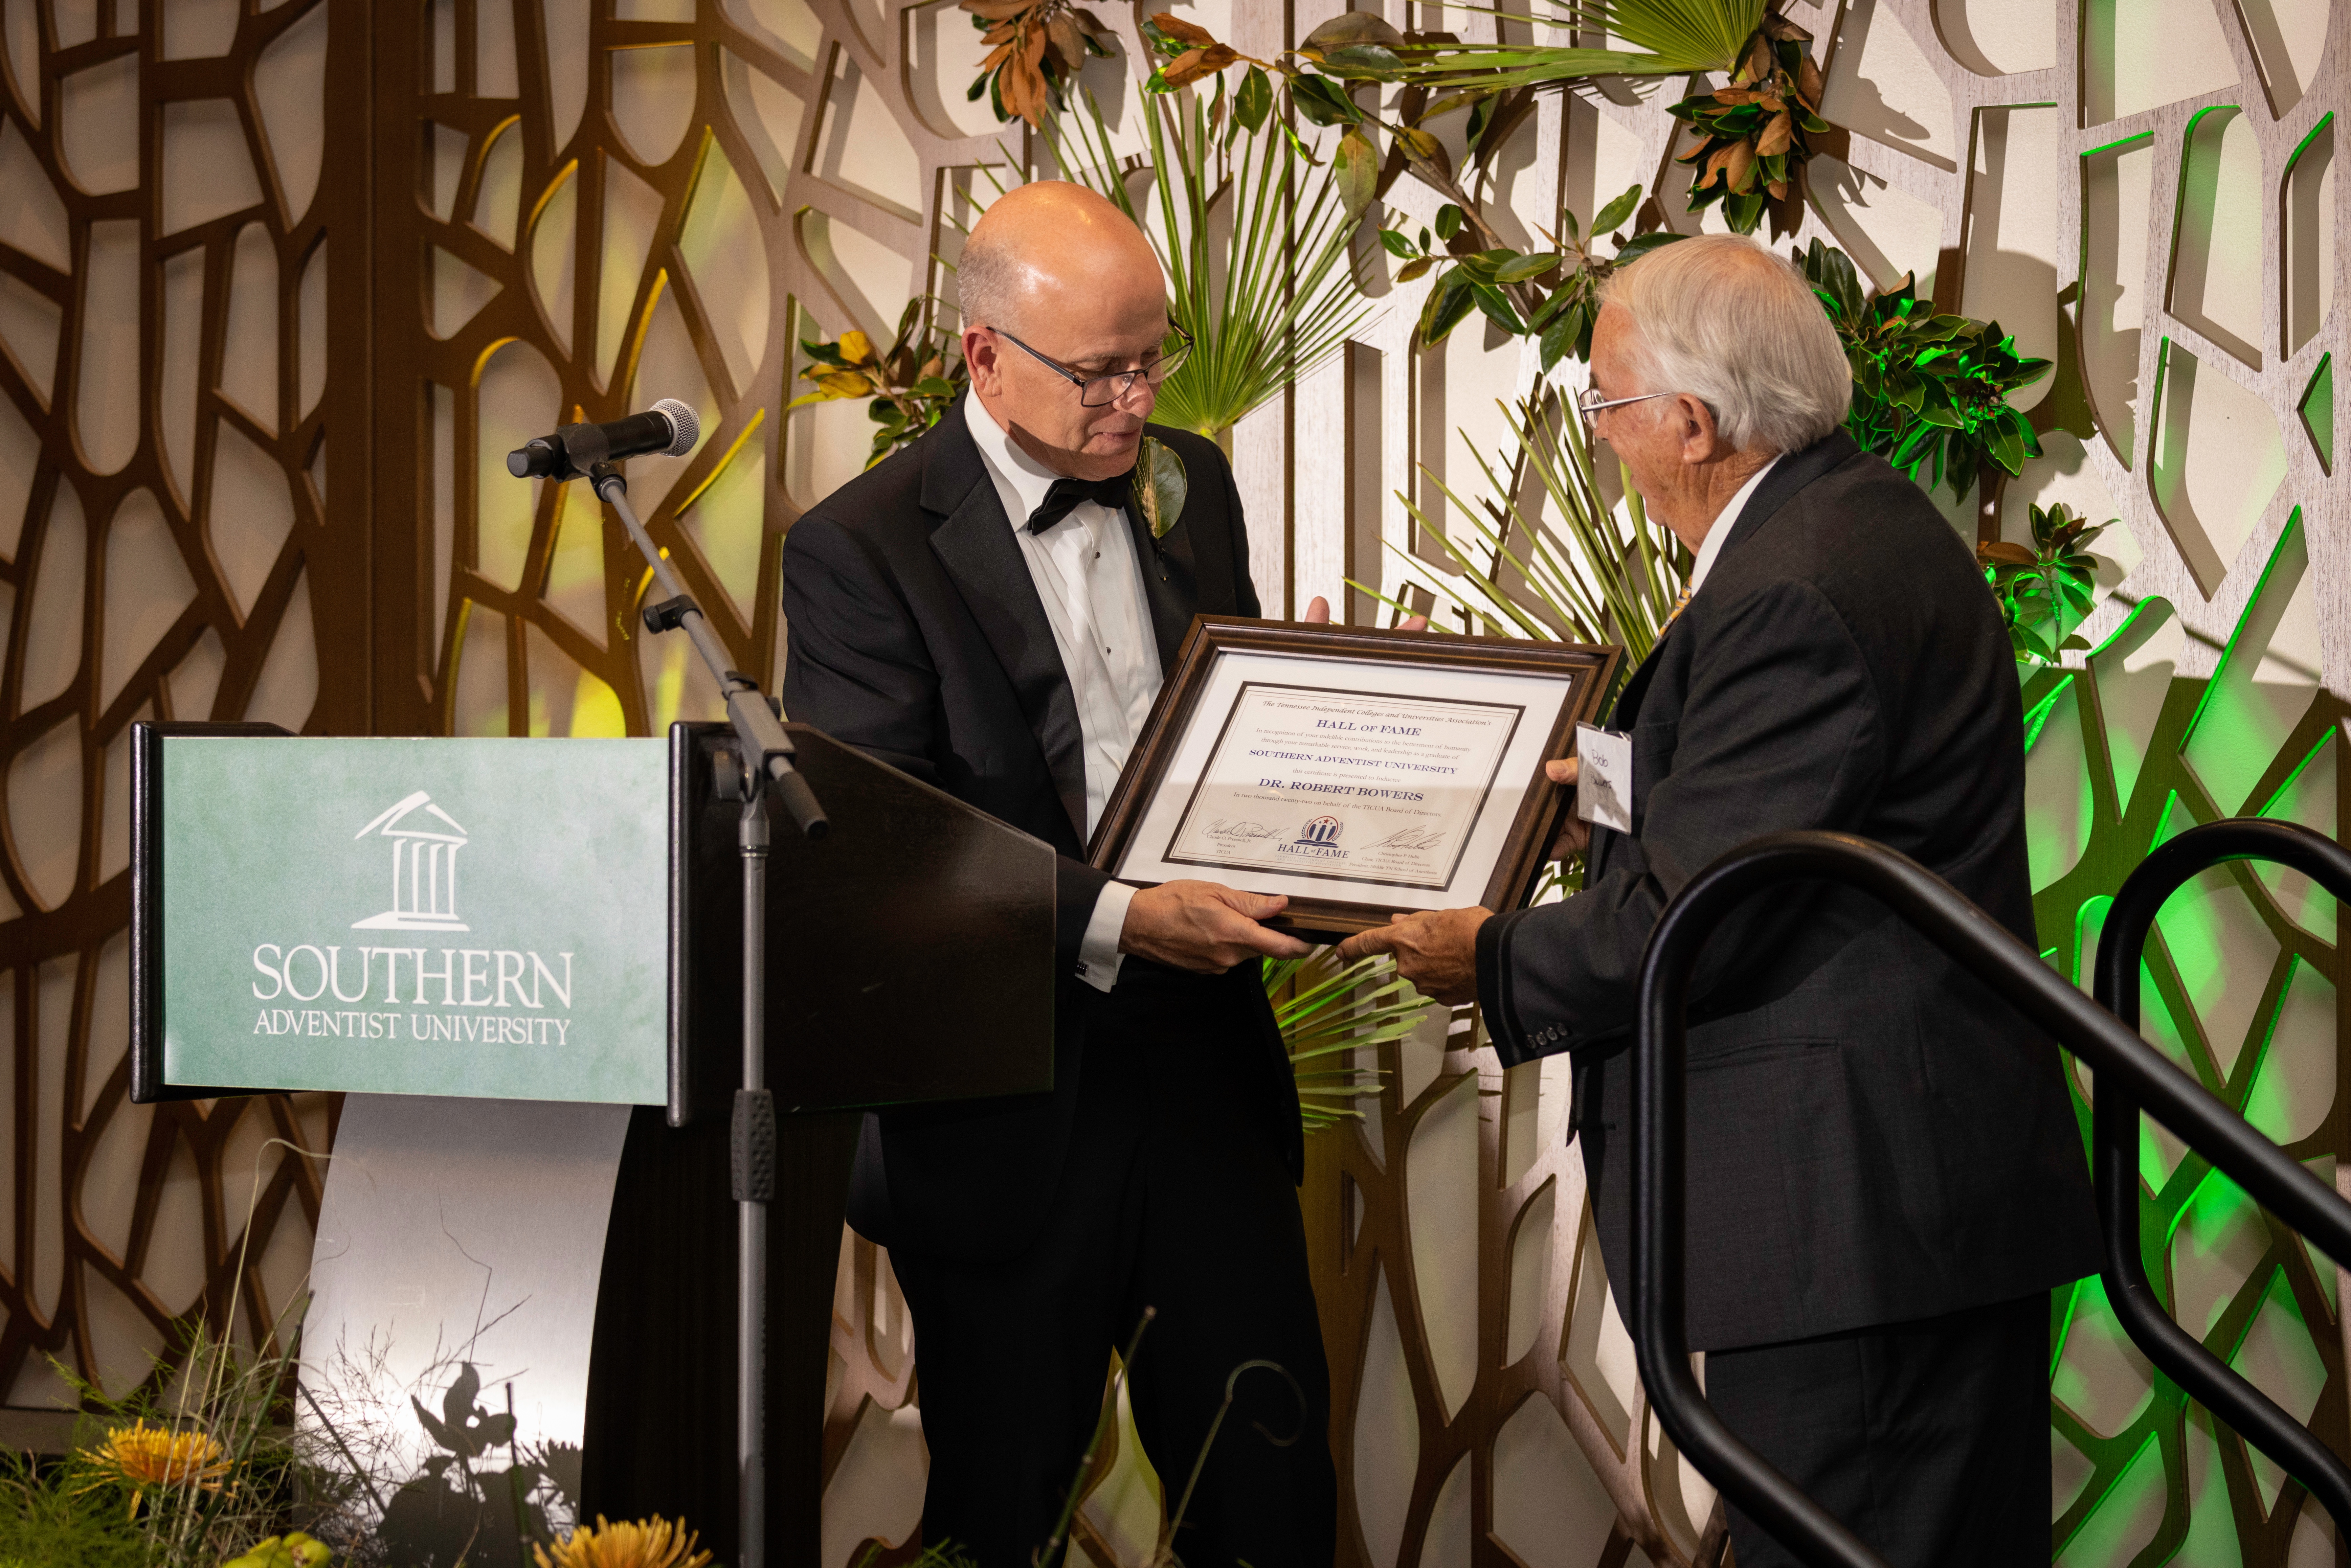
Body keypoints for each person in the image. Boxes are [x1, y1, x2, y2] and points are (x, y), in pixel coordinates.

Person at [1336, 235, 2101, 1567]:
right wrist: (1589, 787)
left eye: (1604, 405)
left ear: (1689, 422)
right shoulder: (1854, 521)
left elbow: (1710, 914)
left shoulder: (1792, 584)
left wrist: (1492, 957)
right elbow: (1783, 804)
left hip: (1849, 1226)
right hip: (1891, 1213)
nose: (1603, 437)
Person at [779, 181, 1337, 1568]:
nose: (1138, 400)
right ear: (984, 356)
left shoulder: (1190, 481)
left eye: (1151, 358)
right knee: (998, 1514)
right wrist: (1120, 920)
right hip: (1006, 1111)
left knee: (1271, 1500)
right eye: (1101, 372)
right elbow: (886, 843)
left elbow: (1215, 732)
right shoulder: (857, 550)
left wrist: (1314, 710)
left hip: (1205, 1077)